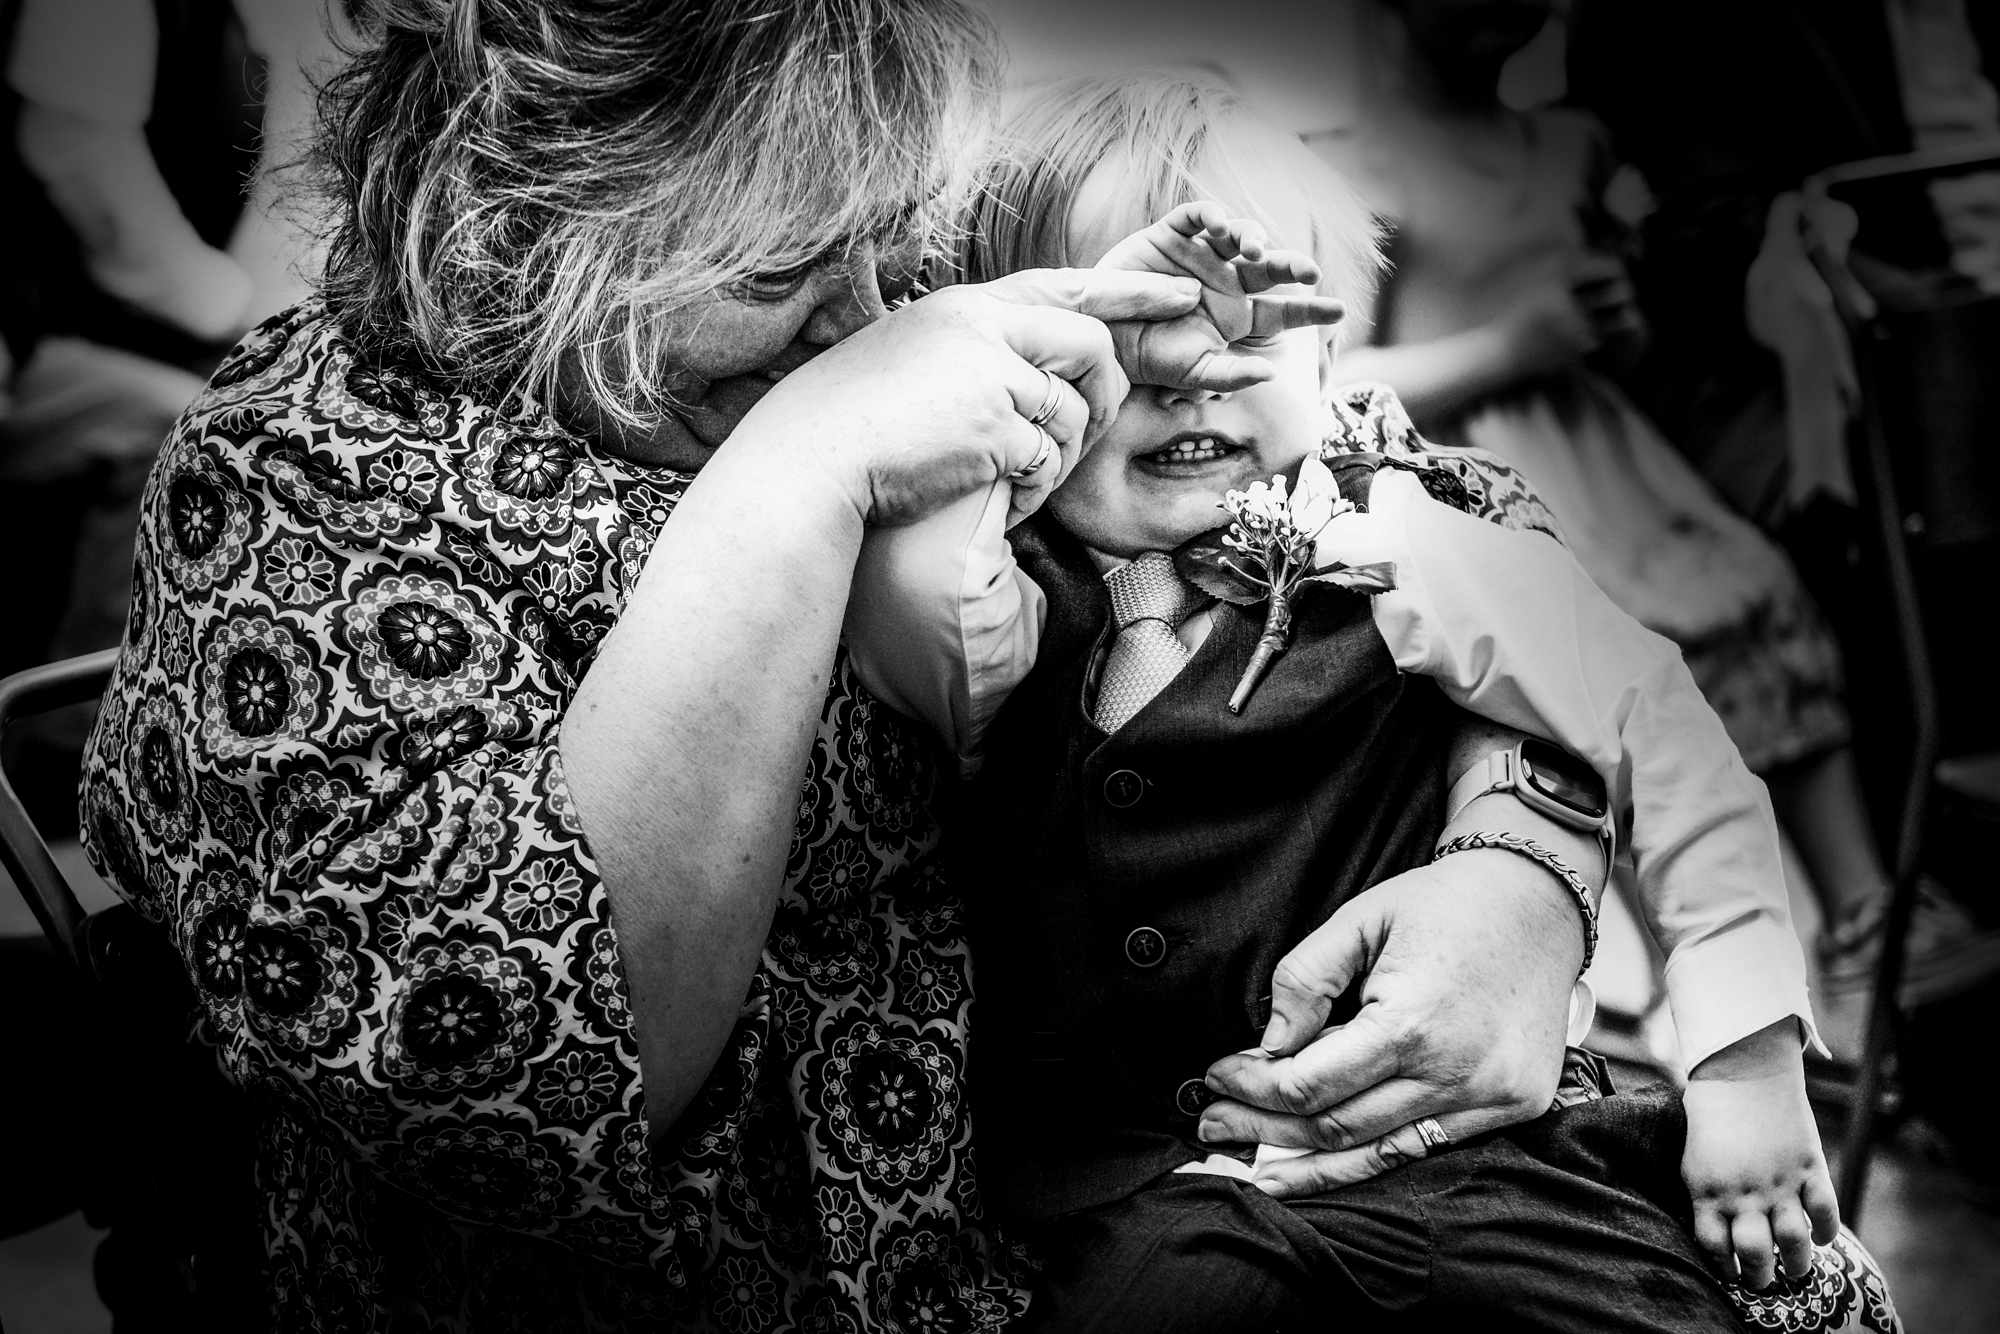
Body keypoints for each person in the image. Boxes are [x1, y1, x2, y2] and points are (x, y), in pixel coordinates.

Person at [72, 2, 1626, 1327]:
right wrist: (807, 470)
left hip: (1137, 1241)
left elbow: (1408, 489)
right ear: (520, 219)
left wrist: (1521, 859)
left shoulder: (851, 241)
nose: (870, 318)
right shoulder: (294, 487)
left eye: (890, 255)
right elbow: (516, 1084)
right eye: (781, 278)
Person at [842, 73, 1896, 1331]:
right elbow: (911, 580)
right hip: (1146, 1194)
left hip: (1478, 1166)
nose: (1190, 371)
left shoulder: (1408, 547)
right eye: (1133, 331)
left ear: (1334, 359)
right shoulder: (998, 595)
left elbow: (1660, 728)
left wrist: (1743, 1058)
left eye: (1246, 325)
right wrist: (1053, 352)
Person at [1317, 0, 2000, 1034]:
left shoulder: (1568, 144)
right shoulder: (1366, 166)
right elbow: (1335, 381)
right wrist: (1514, 343)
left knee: (1755, 593)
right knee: (1615, 653)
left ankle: (1863, 920)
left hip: (1607, 448)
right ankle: (1684, 979)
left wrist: (1610, 327)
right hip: (1476, 465)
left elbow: (1621, 348)